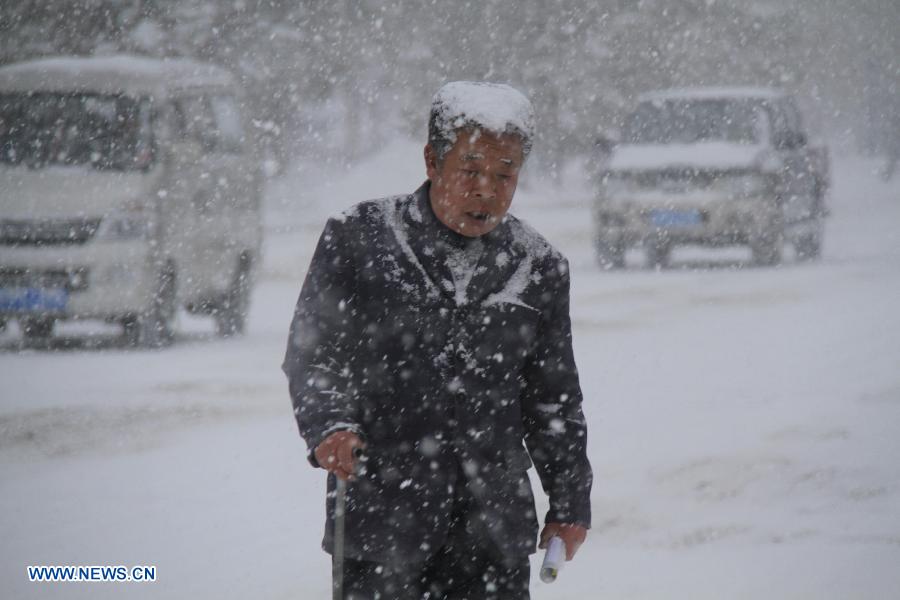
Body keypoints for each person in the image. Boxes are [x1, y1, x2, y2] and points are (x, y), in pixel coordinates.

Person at [282, 81, 592, 599]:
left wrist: (569, 502)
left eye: (504, 174)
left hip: (494, 535)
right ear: (432, 160)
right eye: (470, 170)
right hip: (382, 523)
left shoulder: (539, 267)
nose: (486, 190)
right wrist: (330, 424)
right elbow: (314, 353)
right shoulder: (359, 239)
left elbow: (552, 398)